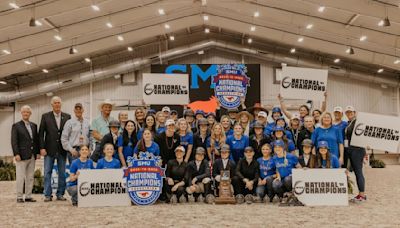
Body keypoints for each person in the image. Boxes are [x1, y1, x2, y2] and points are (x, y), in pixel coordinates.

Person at [39, 96, 71, 202]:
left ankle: (60, 194)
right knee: (47, 172)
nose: (57, 104)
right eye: (55, 103)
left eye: (59, 103)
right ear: (52, 105)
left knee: (62, 173)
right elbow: (41, 134)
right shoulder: (45, 116)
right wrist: (42, 148)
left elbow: (69, 133)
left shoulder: (67, 117)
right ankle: (47, 195)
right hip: (49, 150)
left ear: (61, 104)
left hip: (62, 149)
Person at [11, 105, 40, 203]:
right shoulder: (16, 126)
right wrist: (16, 154)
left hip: (32, 155)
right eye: (24, 112)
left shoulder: (34, 125)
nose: (26, 113)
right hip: (21, 156)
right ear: (21, 113)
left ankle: (28, 196)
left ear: (30, 114)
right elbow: (14, 141)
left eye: (27, 112)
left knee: (30, 177)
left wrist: (37, 152)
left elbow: (36, 141)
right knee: (20, 177)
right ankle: (19, 196)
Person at [344, 105, 367, 202]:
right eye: (348, 112)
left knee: (358, 172)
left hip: (357, 150)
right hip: (350, 149)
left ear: (355, 113)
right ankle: (359, 194)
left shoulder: (358, 122)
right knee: (351, 171)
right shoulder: (349, 123)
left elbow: (364, 135)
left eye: (351, 112)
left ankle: (362, 194)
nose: (349, 114)